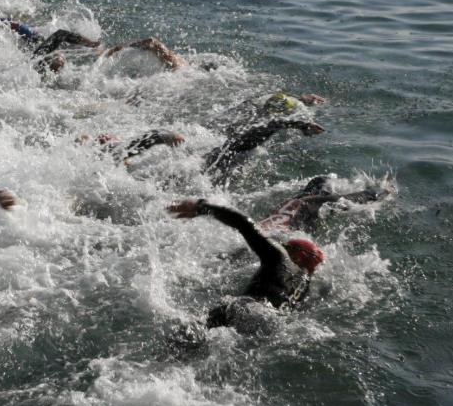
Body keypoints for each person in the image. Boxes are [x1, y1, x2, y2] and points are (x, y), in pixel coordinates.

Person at [166, 199, 325, 343]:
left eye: (287, 247)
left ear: (298, 256)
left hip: (247, 309)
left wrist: (202, 207)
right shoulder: (305, 288)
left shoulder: (280, 257)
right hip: (269, 327)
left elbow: (244, 224)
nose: (283, 247)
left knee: (189, 333)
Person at [203, 118, 327, 183]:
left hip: (220, 155)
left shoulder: (251, 125)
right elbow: (275, 124)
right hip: (224, 159)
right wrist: (303, 125)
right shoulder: (253, 136)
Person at [259, 176, 394, 233]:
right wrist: (386, 191)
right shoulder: (309, 203)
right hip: (298, 210)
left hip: (294, 211)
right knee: (351, 200)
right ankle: (385, 189)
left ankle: (384, 190)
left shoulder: (309, 203)